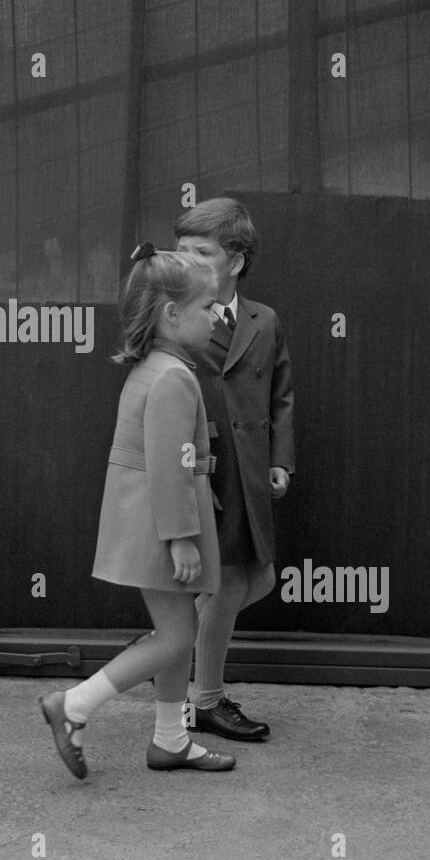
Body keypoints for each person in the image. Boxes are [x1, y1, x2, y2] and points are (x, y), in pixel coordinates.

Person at [39, 243, 236, 779]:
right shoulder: (174, 377)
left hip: (153, 520)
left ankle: (170, 740)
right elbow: (171, 466)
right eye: (206, 308)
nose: (216, 317)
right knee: (176, 636)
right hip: (161, 525)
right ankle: (74, 706)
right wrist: (181, 537)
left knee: (177, 634)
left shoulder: (157, 367)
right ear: (172, 315)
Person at [175, 197, 295, 743]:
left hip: (251, 474)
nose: (188, 261)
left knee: (262, 577)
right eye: (182, 251)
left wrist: (279, 460)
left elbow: (281, 397)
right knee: (223, 587)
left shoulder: (264, 320)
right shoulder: (173, 314)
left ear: (236, 261)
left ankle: (171, 643)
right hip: (205, 471)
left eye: (202, 252)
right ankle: (206, 699)